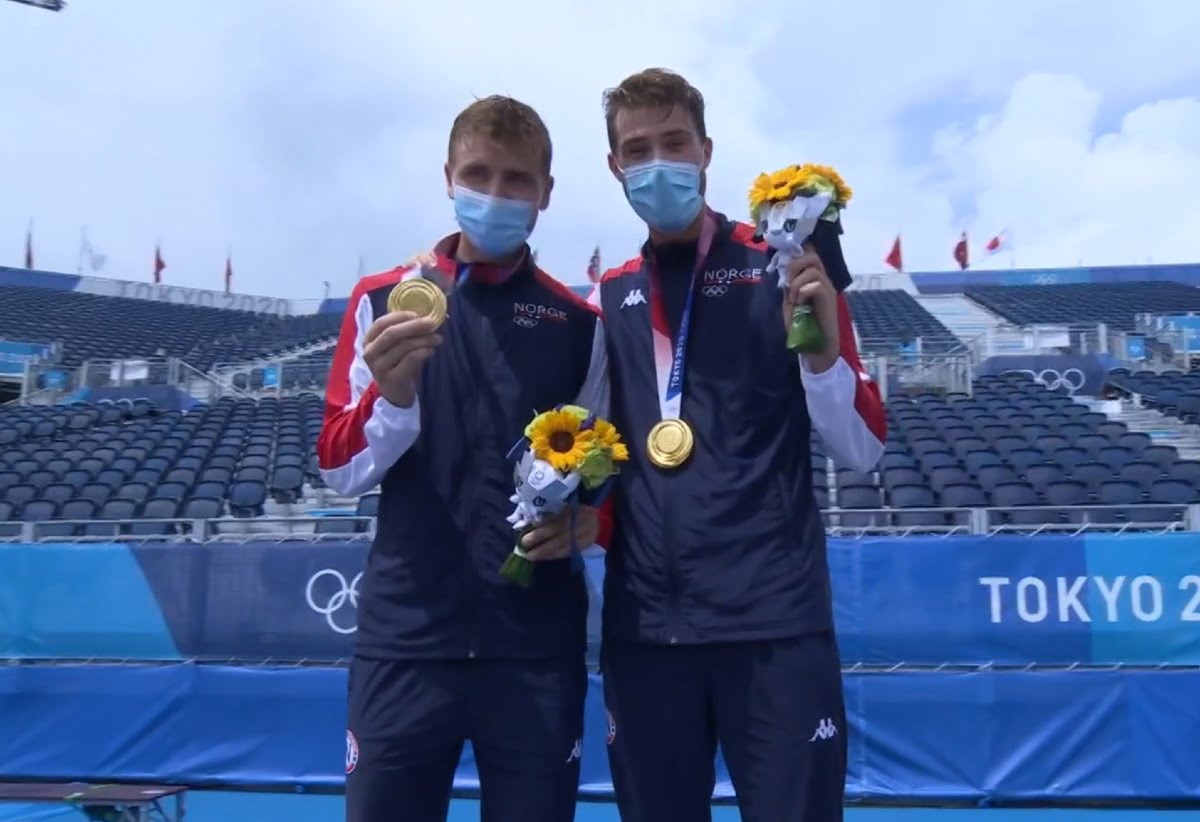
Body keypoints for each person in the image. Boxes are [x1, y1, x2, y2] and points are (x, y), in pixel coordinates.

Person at [588, 68, 887, 822]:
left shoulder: (785, 266)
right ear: (615, 167)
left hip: (775, 631)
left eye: (674, 142)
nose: (657, 163)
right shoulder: (611, 297)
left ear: (707, 149)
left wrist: (820, 351)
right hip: (646, 633)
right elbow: (589, 454)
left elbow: (863, 448)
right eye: (637, 148)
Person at [317, 95, 611, 822]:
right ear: (448, 177)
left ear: (546, 193)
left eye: (517, 180)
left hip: (535, 648)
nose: (496, 195)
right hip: (407, 642)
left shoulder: (580, 325)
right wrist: (393, 394)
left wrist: (592, 525)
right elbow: (340, 470)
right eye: (479, 174)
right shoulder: (383, 300)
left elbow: (603, 475)